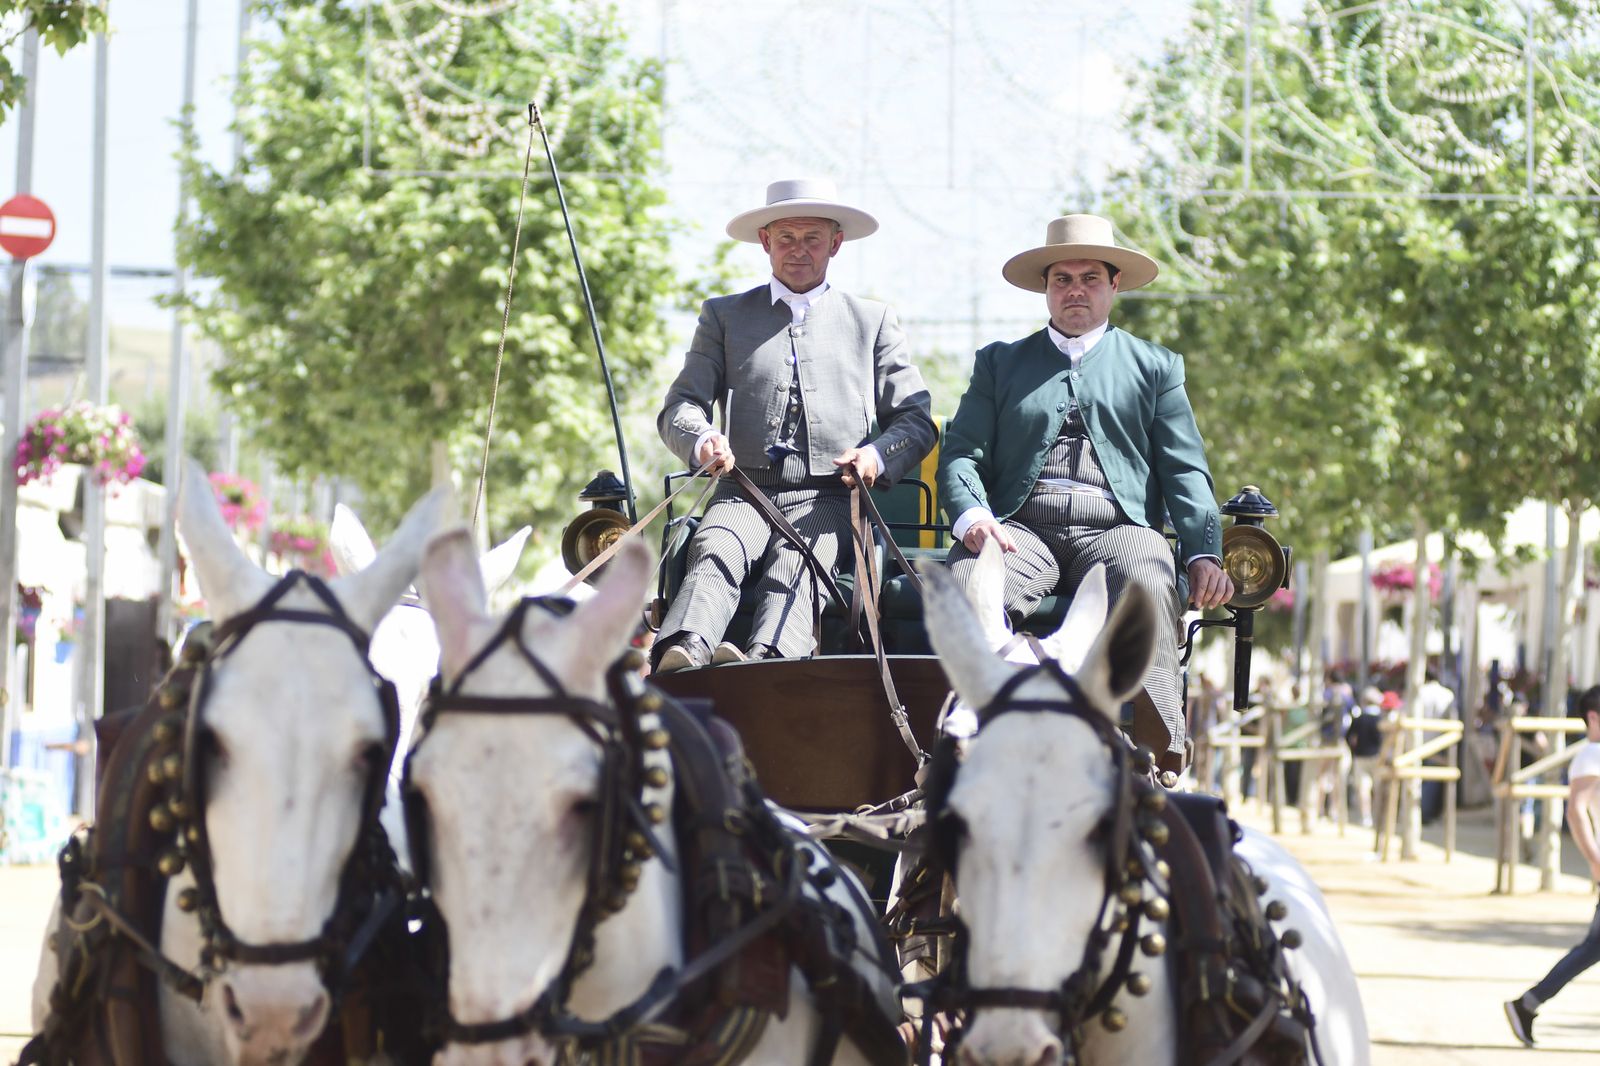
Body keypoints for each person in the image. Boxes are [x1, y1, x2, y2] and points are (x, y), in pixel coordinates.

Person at [936, 213, 1233, 763]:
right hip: (1021, 532)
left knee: (1148, 576)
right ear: (1046, 289)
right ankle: (961, 737)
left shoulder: (1156, 368)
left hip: (1118, 530)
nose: (1076, 290)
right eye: (1062, 280)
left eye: (1090, 278)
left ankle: (1157, 746)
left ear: (1114, 285)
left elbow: (1185, 470)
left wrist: (1203, 551)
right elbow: (960, 455)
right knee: (966, 585)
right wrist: (975, 516)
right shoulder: (999, 364)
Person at [653, 178, 937, 672]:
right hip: (744, 492)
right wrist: (702, 441)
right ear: (765, 242)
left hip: (831, 497)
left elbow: (914, 421)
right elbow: (680, 406)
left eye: (812, 239)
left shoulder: (872, 321)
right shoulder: (723, 317)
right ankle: (685, 653)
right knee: (713, 548)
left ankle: (767, 662)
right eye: (786, 238)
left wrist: (874, 455)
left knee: (799, 563)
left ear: (835, 243)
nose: (798, 251)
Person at [1505, 685, 1600, 1047]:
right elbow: (1575, 811)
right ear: (1593, 717)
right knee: (1592, 947)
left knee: (1592, 948)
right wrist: (1594, 859)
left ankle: (1527, 1004)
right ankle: (1527, 1004)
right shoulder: (1592, 755)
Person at [1346, 687, 1386, 828]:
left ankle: (1366, 816)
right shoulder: (1380, 719)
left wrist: (1354, 749)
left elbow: (1349, 737)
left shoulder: (1359, 719)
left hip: (1360, 757)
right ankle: (1377, 815)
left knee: (1363, 788)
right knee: (1377, 787)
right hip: (1377, 757)